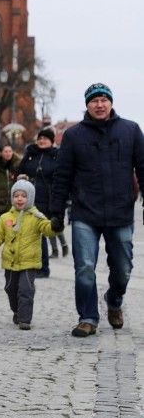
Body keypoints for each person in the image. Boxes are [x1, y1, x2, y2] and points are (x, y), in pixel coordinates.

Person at [50, 83, 144, 337]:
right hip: (85, 212)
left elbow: (143, 168)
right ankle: (88, 317)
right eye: (94, 100)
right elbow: (62, 176)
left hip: (120, 212)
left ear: (111, 103)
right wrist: (57, 212)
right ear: (87, 105)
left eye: (104, 99)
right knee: (84, 267)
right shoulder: (73, 136)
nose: (99, 105)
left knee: (123, 268)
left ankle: (114, 300)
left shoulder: (131, 130)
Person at [0, 176, 58, 330]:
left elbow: (48, 229)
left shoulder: (37, 217)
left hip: (29, 262)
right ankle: (17, 310)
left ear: (30, 197)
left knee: (25, 289)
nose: (19, 199)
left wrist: (56, 226)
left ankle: (25, 319)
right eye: (16, 196)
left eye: (23, 196)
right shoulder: (5, 218)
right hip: (10, 262)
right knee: (10, 289)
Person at [15, 128, 60, 278]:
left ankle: (43, 268)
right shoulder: (31, 156)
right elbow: (19, 173)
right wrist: (27, 155)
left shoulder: (56, 156)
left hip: (47, 200)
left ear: (51, 141)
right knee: (31, 234)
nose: (42, 141)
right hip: (29, 200)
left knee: (40, 234)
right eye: (40, 138)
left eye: (46, 139)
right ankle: (33, 265)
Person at [0, 144, 21, 229]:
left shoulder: (18, 166)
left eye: (10, 151)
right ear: (0, 153)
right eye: (6, 151)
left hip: (13, 205)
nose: (8, 153)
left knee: (11, 229)